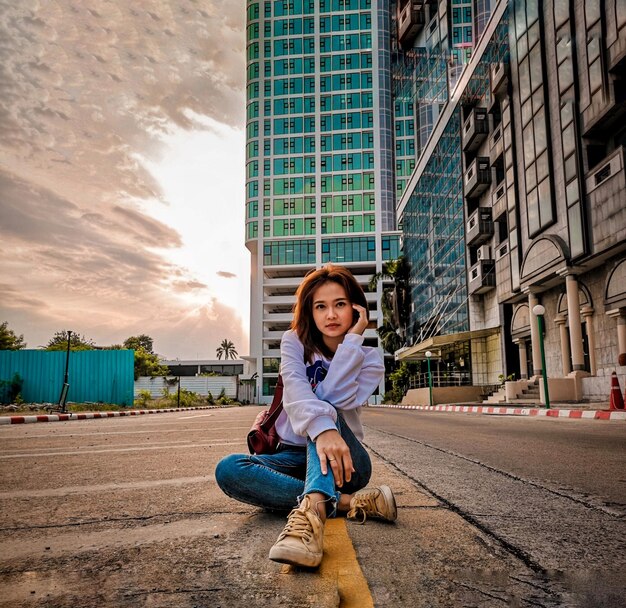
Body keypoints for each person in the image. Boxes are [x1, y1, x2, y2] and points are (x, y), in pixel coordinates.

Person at [215, 264, 397, 568]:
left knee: (326, 415)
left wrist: (352, 342)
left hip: (347, 462)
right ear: (309, 312)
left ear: (356, 309)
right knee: (229, 469)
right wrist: (321, 427)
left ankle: (310, 520)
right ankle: (349, 502)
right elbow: (297, 394)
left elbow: (333, 399)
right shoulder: (294, 343)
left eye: (340, 304)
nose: (331, 315)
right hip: (291, 458)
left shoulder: (370, 360)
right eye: (320, 306)